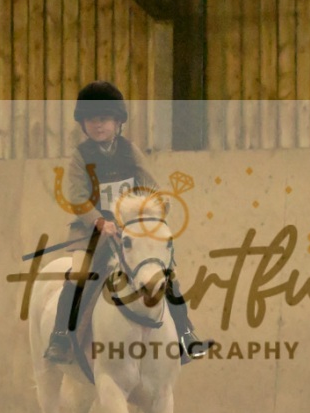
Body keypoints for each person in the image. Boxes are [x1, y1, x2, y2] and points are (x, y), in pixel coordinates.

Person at [44, 81, 209, 365]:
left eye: (104, 119)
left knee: (166, 273)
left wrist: (158, 207)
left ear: (117, 122)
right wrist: (100, 221)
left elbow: (150, 185)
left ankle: (185, 333)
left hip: (130, 231)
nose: (98, 125)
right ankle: (60, 336)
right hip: (92, 231)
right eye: (92, 120)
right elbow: (78, 198)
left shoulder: (130, 151)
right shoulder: (81, 156)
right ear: (83, 124)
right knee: (80, 273)